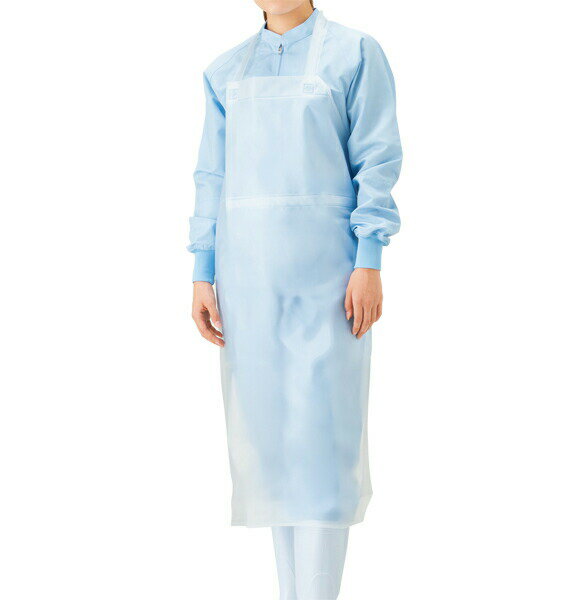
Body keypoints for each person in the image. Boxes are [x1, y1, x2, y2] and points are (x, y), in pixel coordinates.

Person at [188, 2, 401, 598]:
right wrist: (203, 271)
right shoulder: (225, 72)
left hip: (330, 280)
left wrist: (369, 259)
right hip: (248, 281)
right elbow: (212, 176)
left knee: (323, 457)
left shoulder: (354, 54)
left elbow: (376, 157)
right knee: (274, 458)